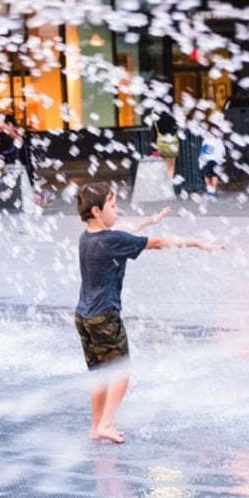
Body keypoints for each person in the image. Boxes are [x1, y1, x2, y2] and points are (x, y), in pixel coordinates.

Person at [75, 182, 224, 444]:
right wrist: (196, 242)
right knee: (121, 371)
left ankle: (95, 426)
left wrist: (150, 220)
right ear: (97, 210)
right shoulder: (111, 240)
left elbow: (126, 230)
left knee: (100, 373)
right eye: (114, 205)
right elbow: (157, 243)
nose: (118, 210)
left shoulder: (88, 237)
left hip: (83, 315)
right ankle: (106, 425)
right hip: (105, 316)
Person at [199, 128, 227, 194]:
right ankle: (213, 189)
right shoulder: (219, 141)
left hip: (207, 160)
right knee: (215, 175)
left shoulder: (206, 141)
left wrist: (201, 161)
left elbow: (203, 152)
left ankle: (209, 189)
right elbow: (223, 152)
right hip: (217, 160)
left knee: (207, 175)